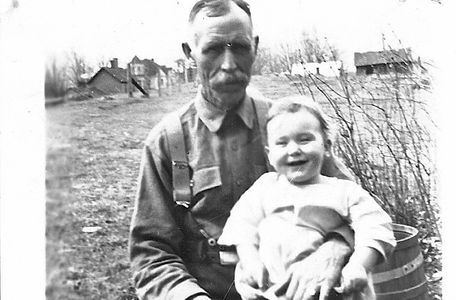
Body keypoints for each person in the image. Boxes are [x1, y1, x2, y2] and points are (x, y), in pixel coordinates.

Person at [129, 1, 356, 299]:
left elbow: (357, 208)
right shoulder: (167, 142)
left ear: (255, 47)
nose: (229, 65)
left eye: (239, 47)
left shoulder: (288, 130)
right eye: (212, 49)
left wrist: (333, 250)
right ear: (190, 53)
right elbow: (151, 253)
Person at [218, 96, 396, 300]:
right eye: (282, 143)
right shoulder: (265, 187)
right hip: (273, 292)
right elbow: (242, 226)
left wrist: (359, 265)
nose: (294, 150)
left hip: (330, 292)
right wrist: (250, 262)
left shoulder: (344, 191)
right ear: (269, 154)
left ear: (327, 146)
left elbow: (376, 227)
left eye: (304, 139)